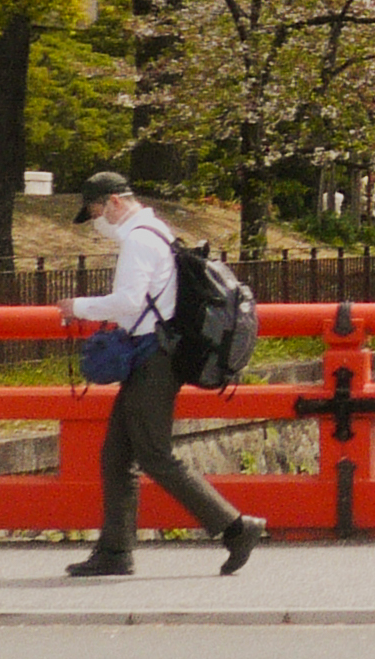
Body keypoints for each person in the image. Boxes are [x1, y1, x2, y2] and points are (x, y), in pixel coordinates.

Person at [62, 171, 266, 579]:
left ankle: (236, 527)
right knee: (117, 457)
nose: (98, 221)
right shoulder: (157, 231)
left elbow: (128, 302)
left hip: (154, 358)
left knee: (154, 454)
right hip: (154, 353)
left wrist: (77, 306)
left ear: (116, 201)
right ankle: (115, 551)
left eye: (97, 210)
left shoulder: (138, 240)